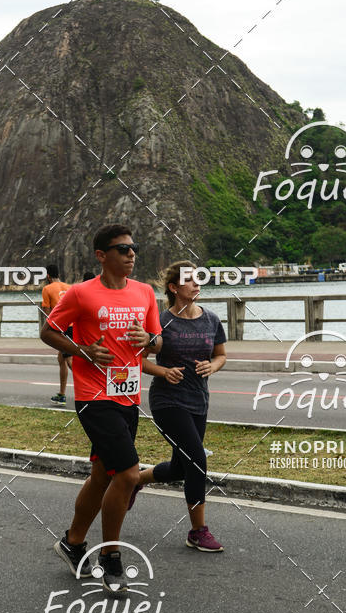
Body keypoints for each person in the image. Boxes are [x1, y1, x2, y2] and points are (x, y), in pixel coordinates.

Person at [40, 224, 161, 593]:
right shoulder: (80, 293)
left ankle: (73, 542)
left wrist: (150, 339)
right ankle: (111, 555)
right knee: (126, 473)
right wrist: (83, 351)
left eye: (133, 247)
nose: (131, 254)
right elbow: (48, 331)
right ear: (101, 255)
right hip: (94, 397)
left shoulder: (145, 292)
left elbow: (157, 343)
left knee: (102, 476)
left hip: (128, 396)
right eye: (122, 249)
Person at [131, 260, 227, 551]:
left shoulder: (210, 319)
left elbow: (221, 354)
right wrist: (163, 371)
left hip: (199, 400)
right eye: (189, 280)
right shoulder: (160, 322)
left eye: (198, 278)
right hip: (167, 401)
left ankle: (136, 480)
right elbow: (138, 359)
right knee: (197, 459)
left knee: (181, 467)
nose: (197, 283)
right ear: (174, 288)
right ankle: (198, 531)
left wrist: (213, 366)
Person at [41, 264, 71, 404]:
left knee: (70, 360)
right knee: (62, 359)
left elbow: (47, 312)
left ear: (48, 276)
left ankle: (90, 390)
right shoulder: (70, 287)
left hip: (61, 328)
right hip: (73, 326)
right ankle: (62, 394)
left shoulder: (47, 289)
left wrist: (50, 330)